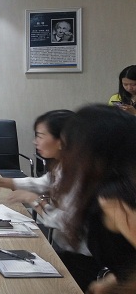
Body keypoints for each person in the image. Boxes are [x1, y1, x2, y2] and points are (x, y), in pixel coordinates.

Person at [0, 109, 98, 290]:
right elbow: (43, 183)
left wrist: (34, 200)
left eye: (40, 136)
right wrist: (5, 182)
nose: (35, 141)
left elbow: (66, 220)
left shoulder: (80, 173)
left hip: (85, 260)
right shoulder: (65, 165)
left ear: (62, 140)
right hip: (67, 249)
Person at [53, 105, 136, 292]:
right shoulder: (110, 188)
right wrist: (114, 281)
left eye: (68, 145)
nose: (61, 149)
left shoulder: (116, 200)